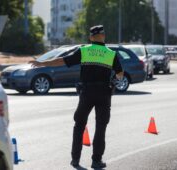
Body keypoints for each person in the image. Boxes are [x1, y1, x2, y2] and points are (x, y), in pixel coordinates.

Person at [29, 25, 124, 169]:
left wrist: (42, 63)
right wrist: (113, 76)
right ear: (103, 36)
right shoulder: (111, 54)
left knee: (79, 125)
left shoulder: (84, 50)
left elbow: (62, 60)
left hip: (87, 93)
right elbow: (120, 74)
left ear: (91, 37)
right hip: (104, 93)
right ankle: (96, 161)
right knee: (101, 127)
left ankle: (75, 159)